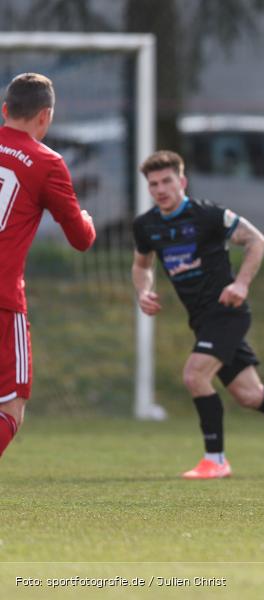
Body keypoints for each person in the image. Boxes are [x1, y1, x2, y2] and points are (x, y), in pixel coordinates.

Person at [131, 150, 264, 479]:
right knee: (249, 395)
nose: (160, 189)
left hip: (227, 312)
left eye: (167, 181)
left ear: (182, 182)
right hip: (201, 321)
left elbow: (256, 240)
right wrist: (144, 291)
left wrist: (241, 284)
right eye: (154, 183)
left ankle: (215, 460)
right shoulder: (147, 226)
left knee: (194, 375)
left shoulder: (208, 215)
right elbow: (142, 265)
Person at [0, 73, 96, 461]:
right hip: (3, 301)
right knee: (11, 406)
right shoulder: (46, 162)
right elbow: (81, 238)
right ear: (46, 117)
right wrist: (86, 218)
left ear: (5, 110)